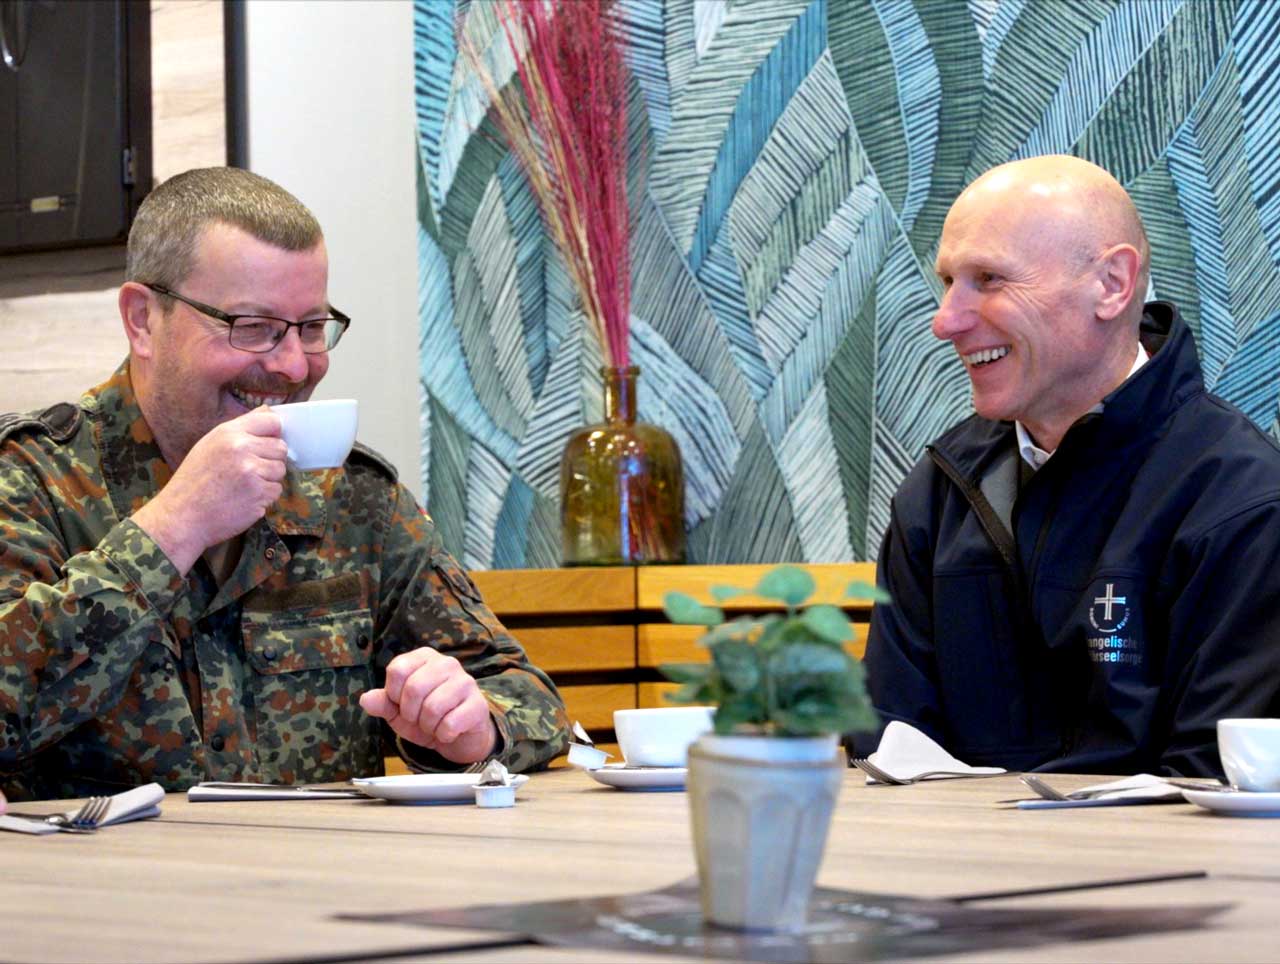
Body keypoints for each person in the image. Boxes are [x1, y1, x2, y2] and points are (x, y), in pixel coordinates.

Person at [0, 168, 569, 802]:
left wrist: (472, 729)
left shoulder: (352, 498)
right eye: (253, 327)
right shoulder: (29, 482)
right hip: (97, 893)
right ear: (143, 321)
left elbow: (527, 697)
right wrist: (172, 530)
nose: (295, 366)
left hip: (323, 889)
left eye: (312, 327)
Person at [860, 154, 1280, 778]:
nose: (945, 321)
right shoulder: (940, 492)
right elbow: (886, 744)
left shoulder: (1241, 501)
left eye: (990, 279)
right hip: (951, 865)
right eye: (948, 281)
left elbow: (1218, 779)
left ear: (1111, 285)